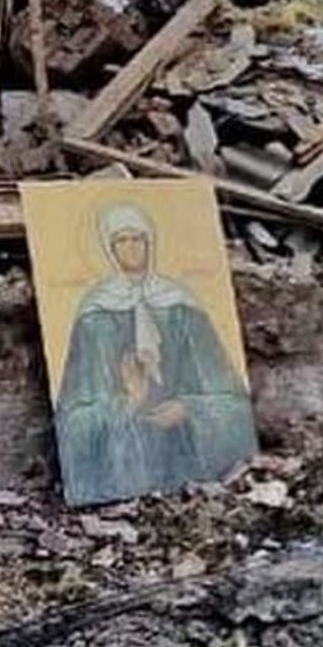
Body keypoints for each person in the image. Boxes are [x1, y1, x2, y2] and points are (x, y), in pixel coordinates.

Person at [54, 200, 256, 506]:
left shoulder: (182, 306)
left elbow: (232, 401)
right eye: (121, 240)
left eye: (138, 239)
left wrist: (189, 408)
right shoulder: (94, 316)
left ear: (151, 243)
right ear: (109, 249)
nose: (132, 247)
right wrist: (128, 404)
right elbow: (74, 420)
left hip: (187, 456)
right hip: (125, 464)